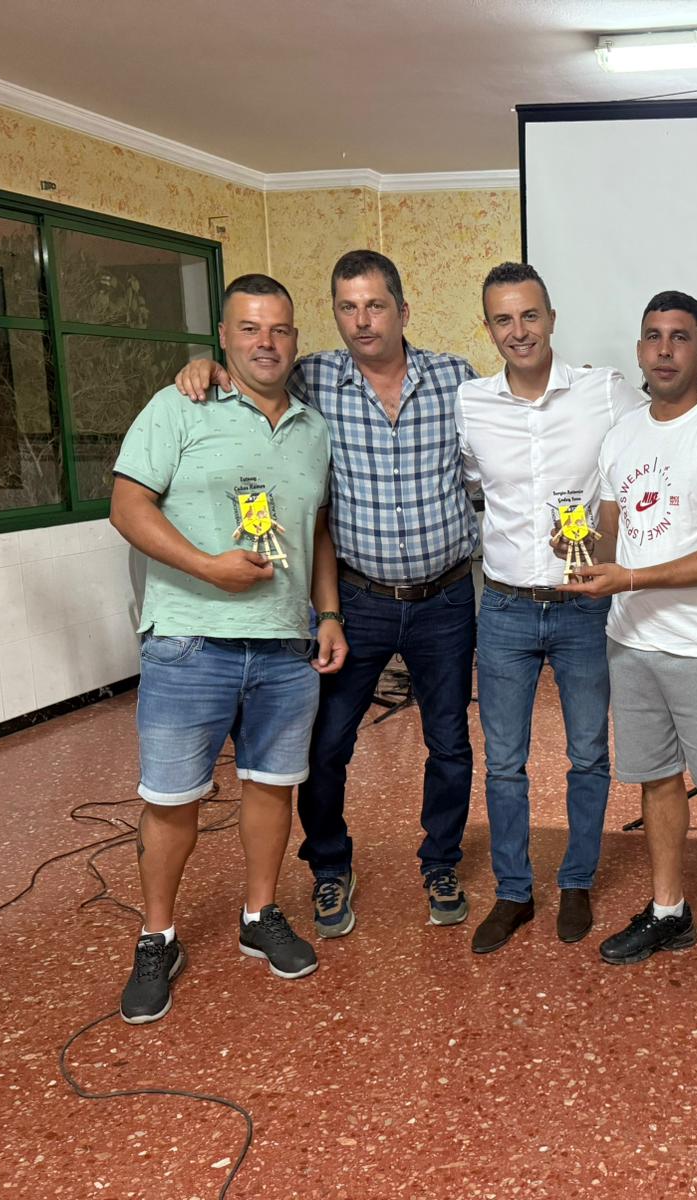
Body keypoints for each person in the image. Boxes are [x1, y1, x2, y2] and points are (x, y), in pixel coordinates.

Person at [175, 250, 478, 936]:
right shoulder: (311, 377)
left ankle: (441, 860)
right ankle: (331, 867)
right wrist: (205, 367)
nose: (361, 320)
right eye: (347, 306)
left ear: (403, 309)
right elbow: (250, 373)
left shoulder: (458, 377)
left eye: (375, 305)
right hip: (357, 599)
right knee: (327, 746)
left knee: (451, 743)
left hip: (447, 598)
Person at [458, 264, 697, 954]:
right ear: (489, 328)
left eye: (529, 316)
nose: (518, 331)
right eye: (503, 319)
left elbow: (667, 417)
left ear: (551, 318)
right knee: (503, 761)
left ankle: (577, 880)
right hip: (502, 607)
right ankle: (513, 892)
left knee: (589, 755)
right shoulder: (469, 402)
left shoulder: (604, 391)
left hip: (588, 605)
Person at [110, 273, 346, 1024]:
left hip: (284, 647)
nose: (265, 343)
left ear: (296, 340)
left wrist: (329, 612)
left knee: (272, 788)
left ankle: (260, 914)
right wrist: (207, 566)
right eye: (249, 329)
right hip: (190, 643)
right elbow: (127, 505)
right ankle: (158, 938)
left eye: (278, 330)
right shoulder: (181, 404)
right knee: (171, 801)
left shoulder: (314, 428)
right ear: (224, 338)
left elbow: (313, 531)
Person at [561, 292, 697, 993]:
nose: (665, 348)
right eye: (653, 336)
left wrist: (630, 577)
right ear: (640, 349)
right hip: (631, 641)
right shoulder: (622, 434)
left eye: (681, 337)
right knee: (656, 781)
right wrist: (580, 547)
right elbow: (612, 538)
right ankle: (670, 908)